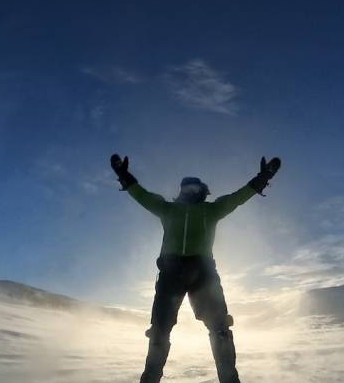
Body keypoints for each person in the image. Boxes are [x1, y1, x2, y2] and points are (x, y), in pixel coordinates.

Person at [110, 154, 281, 383]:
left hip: (204, 274)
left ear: (202, 190)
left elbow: (238, 197)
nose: (190, 192)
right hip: (171, 273)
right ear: (181, 190)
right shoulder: (167, 209)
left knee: (220, 329)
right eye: (186, 188)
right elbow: (142, 195)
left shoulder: (211, 210)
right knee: (160, 330)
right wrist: (124, 175)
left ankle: (230, 379)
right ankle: (150, 379)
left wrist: (262, 178)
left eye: (194, 188)